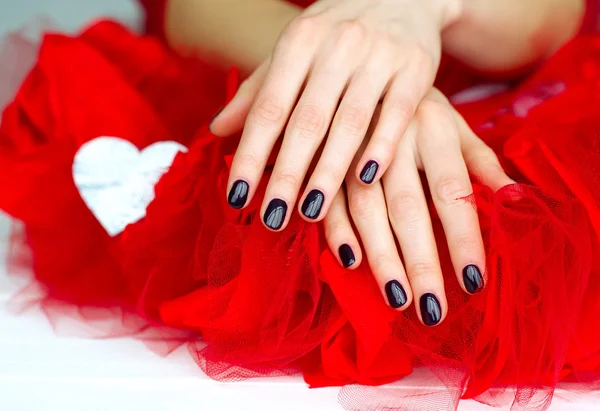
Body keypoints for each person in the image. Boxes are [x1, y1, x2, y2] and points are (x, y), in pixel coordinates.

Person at [0, 0, 598, 410]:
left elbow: (554, 14)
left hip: (521, 96)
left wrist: (414, 12)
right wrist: (345, 78)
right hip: (248, 71)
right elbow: (191, 8)